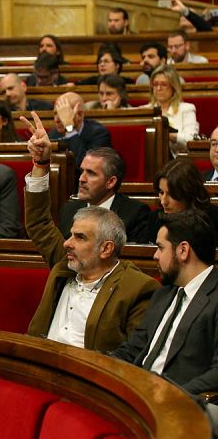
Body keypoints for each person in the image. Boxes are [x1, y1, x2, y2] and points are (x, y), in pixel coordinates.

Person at [22, 110, 158, 352]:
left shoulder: (136, 287)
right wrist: (41, 164)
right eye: (71, 234)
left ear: (107, 248)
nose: (67, 242)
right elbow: (39, 223)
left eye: (80, 237)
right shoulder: (65, 263)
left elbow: (132, 356)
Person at [111, 209, 218, 397]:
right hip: (138, 393)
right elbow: (133, 348)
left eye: (160, 248)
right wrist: (97, 364)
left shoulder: (215, 297)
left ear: (183, 250)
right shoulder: (164, 293)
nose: (155, 256)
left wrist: (171, 396)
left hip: (181, 406)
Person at [58, 147, 150, 244]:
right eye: (82, 171)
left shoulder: (135, 214)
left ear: (111, 182)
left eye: (91, 173)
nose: (81, 179)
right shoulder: (68, 210)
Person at [142, 158, 218, 244]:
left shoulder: (213, 218)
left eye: (171, 194)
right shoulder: (155, 218)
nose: (163, 202)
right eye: (161, 192)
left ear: (188, 193)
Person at [143, 65, 197, 156]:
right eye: (155, 84)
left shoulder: (186, 109)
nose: (158, 88)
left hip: (177, 160)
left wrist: (168, 136)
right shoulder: (144, 110)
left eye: (164, 84)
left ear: (174, 87)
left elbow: (191, 139)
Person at [48, 92, 112, 170]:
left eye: (62, 114)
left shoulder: (99, 134)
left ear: (80, 114)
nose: (56, 120)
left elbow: (85, 167)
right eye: (55, 113)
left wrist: (69, 129)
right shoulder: (52, 135)